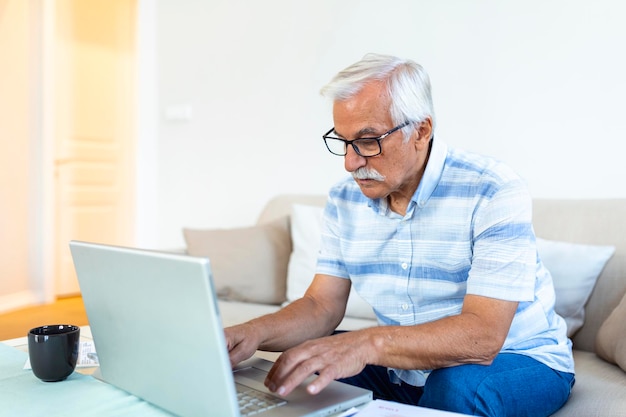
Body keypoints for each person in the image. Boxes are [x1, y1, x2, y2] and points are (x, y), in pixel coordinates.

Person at [225, 53, 575, 417]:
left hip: (516, 359)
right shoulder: (344, 199)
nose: (350, 161)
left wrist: (368, 344)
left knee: (455, 387)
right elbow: (320, 306)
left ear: (421, 131)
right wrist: (251, 333)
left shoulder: (493, 189)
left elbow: (483, 337)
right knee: (302, 366)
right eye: (342, 141)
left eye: (367, 140)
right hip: (404, 366)